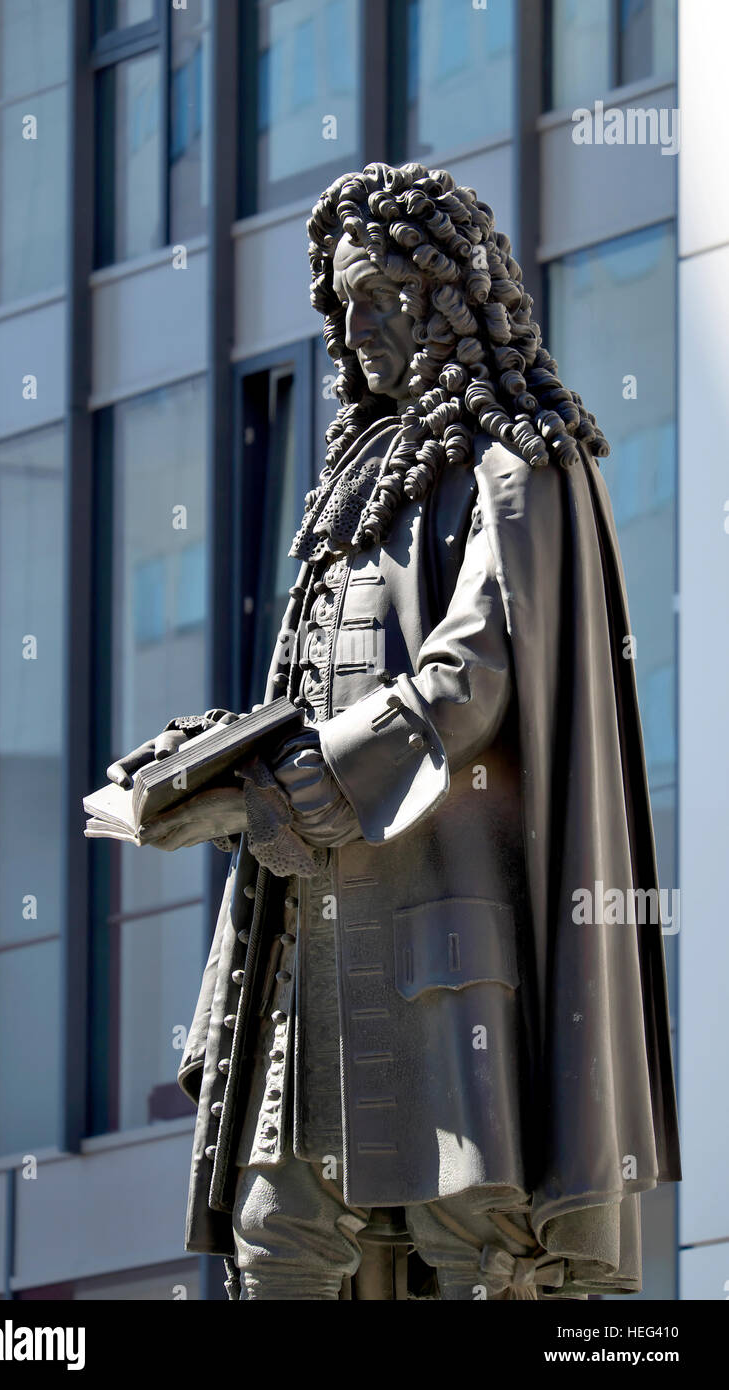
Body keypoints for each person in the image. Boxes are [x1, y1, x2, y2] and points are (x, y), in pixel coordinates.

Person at [107, 163, 681, 1300]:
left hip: (447, 950)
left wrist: (307, 776)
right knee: (278, 1238)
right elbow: (309, 685)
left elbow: (473, 669)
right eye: (345, 301)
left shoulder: (522, 460)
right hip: (310, 945)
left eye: (385, 295)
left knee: (482, 1248)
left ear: (450, 298)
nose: (359, 325)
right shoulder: (353, 483)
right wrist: (218, 762)